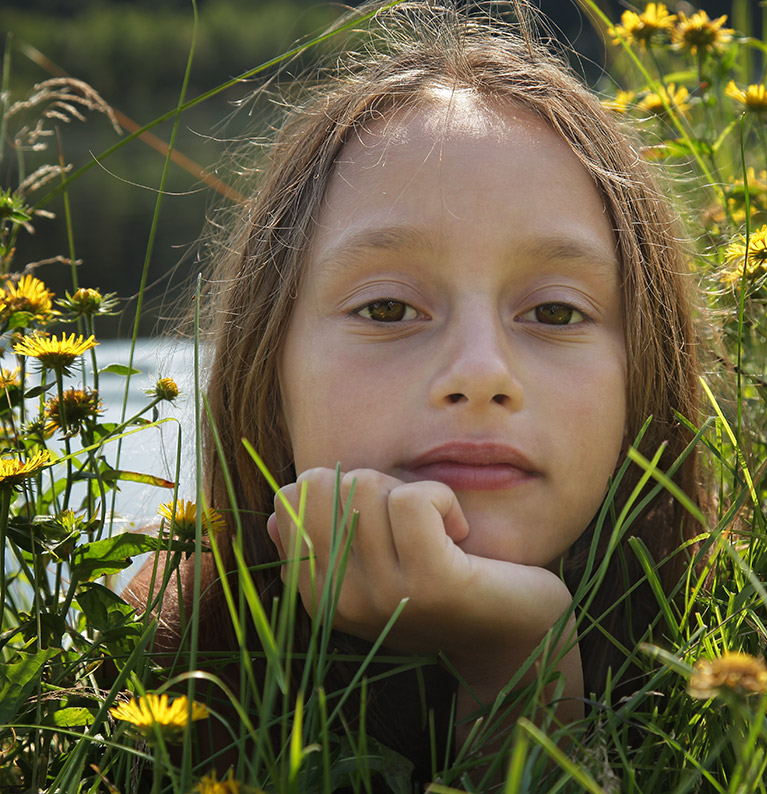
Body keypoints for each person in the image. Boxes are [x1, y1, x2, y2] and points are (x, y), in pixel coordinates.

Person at [127, 0, 707, 785]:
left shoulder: (756, 658)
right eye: (389, 309)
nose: (479, 372)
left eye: (556, 312)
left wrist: (517, 665)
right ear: (269, 365)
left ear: (646, 372)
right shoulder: (167, 656)